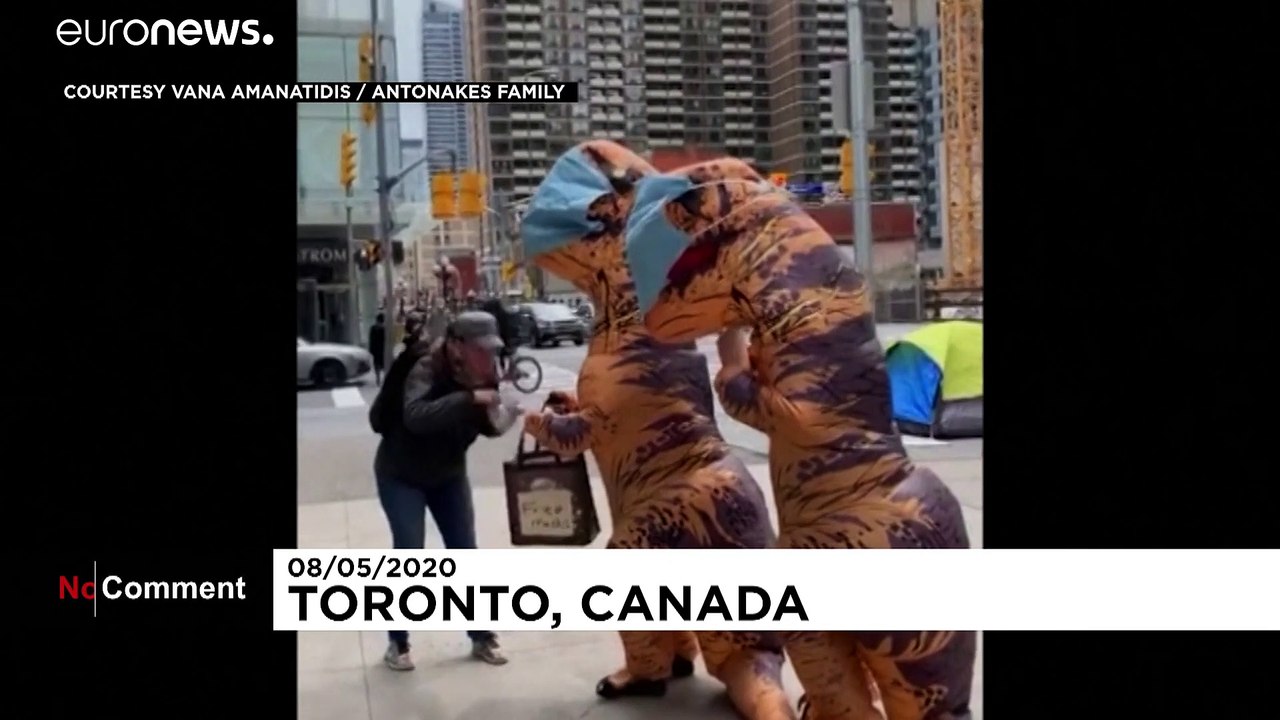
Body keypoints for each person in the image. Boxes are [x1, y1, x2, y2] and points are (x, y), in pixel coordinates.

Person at [367, 311, 519, 671]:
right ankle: (398, 642)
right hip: (401, 474)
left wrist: (512, 410)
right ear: (455, 346)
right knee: (408, 554)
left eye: (491, 349)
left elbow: (491, 426)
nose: (486, 357)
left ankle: (482, 635)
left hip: (448, 473)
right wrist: (470, 400)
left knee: (466, 552)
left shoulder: (484, 374)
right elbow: (416, 416)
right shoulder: (425, 367)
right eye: (479, 349)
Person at [479, 298, 520, 376]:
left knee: (500, 354)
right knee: (503, 355)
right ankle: (507, 371)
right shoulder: (500, 313)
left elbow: (499, 329)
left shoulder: (494, 315)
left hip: (503, 338)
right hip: (505, 337)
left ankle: (507, 372)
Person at [368, 313, 386, 385]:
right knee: (383, 363)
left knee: (377, 364)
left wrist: (371, 349)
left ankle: (378, 378)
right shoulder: (384, 329)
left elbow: (371, 339)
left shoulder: (373, 328)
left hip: (375, 349)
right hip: (383, 349)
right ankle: (383, 378)